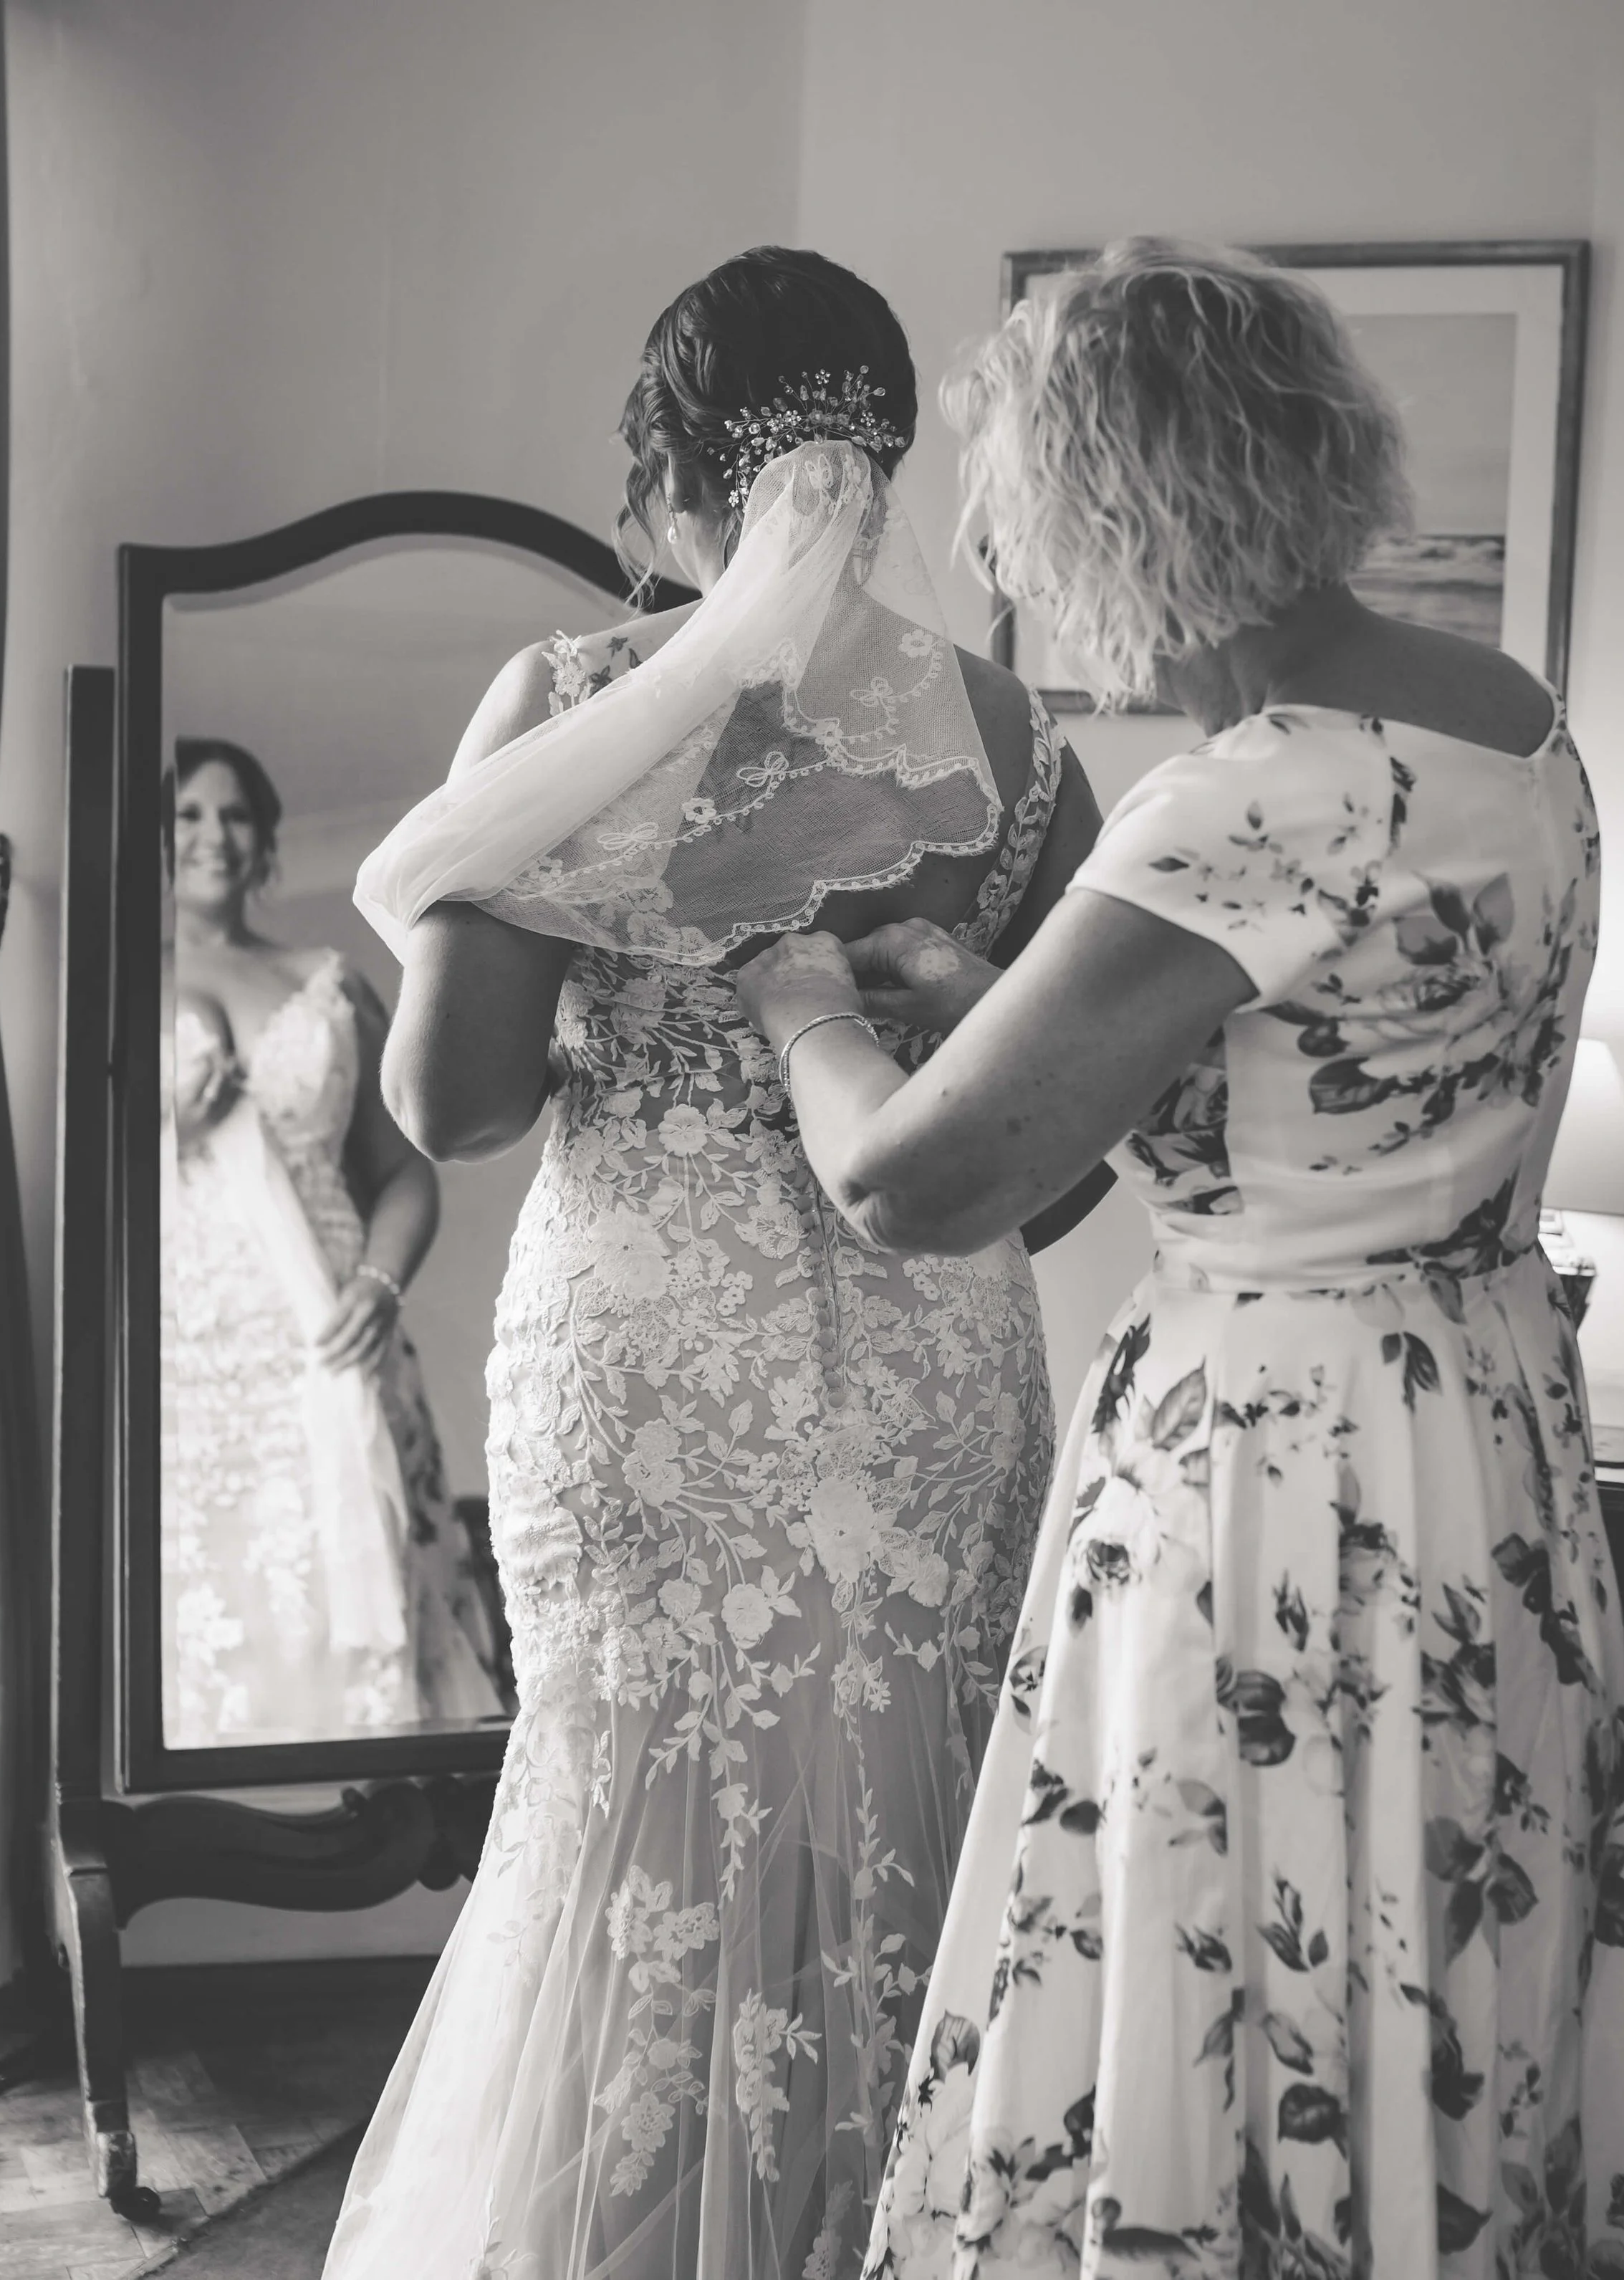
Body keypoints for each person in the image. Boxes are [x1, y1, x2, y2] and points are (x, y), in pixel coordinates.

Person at [734, 240, 1624, 2279]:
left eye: (1018, 511)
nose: (1001, 559)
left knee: (1240, 1944)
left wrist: (802, 1001)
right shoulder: (1512, 725)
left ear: (1112, 508)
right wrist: (995, 997)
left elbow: (912, 1184)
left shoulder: (1246, 795)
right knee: (1416, 1931)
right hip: (1475, 1423)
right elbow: (1322, 1077)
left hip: (1276, 1465)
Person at [323, 248, 1108, 2280]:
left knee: (629, 1822)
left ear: (673, 473)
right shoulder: (1013, 738)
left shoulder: (577, 703)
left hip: (652, 1359)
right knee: (911, 1813)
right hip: (935, 1363)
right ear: (878, 461)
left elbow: (454, 1106)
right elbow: (1058, 1168)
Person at [163, 737, 504, 1746]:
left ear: (265, 841)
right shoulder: (98, 986)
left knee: (373, 1586)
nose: (214, 835)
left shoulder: (324, 983)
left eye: (235, 815)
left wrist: (379, 1284)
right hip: (190, 1366)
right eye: (188, 813)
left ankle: (387, 1795)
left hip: (338, 1339)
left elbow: (404, 1170)